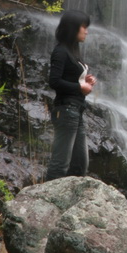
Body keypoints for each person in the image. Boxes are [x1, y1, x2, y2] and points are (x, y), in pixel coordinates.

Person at [45, 10, 96, 181]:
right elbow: (54, 81)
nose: (86, 31)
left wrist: (85, 80)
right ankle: (48, 196)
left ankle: (71, 196)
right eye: (84, 27)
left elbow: (69, 78)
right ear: (73, 28)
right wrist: (79, 87)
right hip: (66, 110)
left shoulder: (73, 51)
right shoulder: (60, 51)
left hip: (77, 110)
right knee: (60, 163)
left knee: (80, 165)